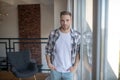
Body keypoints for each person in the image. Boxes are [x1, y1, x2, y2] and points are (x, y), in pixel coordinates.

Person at [45, 11, 81, 80]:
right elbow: (47, 50)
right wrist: (49, 63)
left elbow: (78, 53)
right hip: (55, 70)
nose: (65, 23)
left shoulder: (76, 35)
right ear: (60, 21)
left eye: (67, 20)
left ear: (71, 20)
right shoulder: (53, 34)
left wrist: (75, 67)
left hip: (69, 71)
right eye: (62, 20)